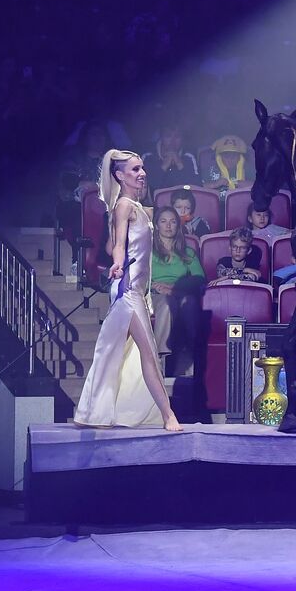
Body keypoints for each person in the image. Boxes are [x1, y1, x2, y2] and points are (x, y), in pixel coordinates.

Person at [72, 150, 182, 431]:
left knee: (118, 353)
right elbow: (117, 246)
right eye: (135, 170)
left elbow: (123, 241)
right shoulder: (124, 206)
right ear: (120, 175)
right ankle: (168, 415)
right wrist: (118, 263)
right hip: (128, 290)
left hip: (139, 291)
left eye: (142, 168)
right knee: (148, 351)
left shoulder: (137, 207)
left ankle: (94, 412)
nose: (142, 173)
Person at [150, 205, 206, 371]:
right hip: (155, 295)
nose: (168, 226)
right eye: (163, 221)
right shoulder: (148, 251)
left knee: (189, 304)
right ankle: (159, 360)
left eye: (173, 222)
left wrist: (175, 287)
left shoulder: (188, 252)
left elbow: (199, 279)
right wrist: (154, 286)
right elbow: (138, 276)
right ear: (157, 225)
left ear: (178, 226)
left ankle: (192, 362)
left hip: (180, 293)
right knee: (167, 305)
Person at [146, 124, 199, 189]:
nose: (173, 142)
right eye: (168, 136)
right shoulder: (149, 156)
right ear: (161, 137)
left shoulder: (188, 157)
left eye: (177, 136)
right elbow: (148, 187)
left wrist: (180, 164)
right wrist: (164, 166)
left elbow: (196, 188)